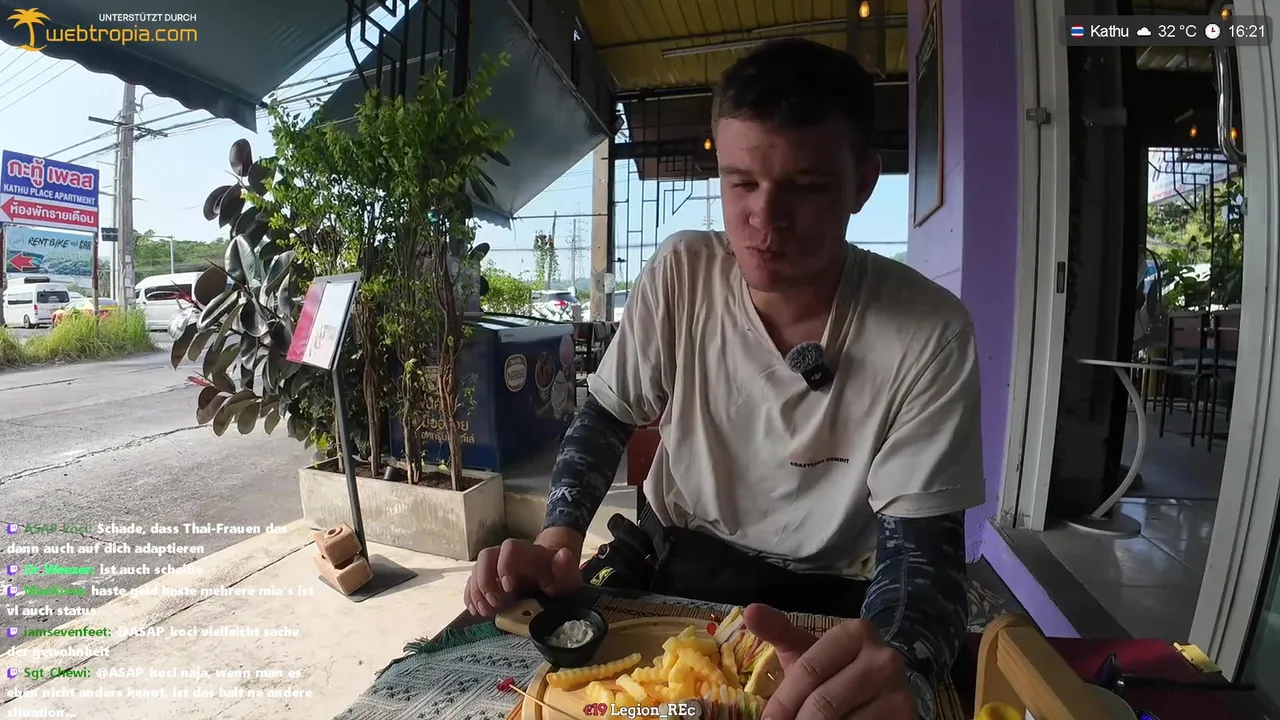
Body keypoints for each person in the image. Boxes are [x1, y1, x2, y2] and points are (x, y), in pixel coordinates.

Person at [464, 38, 984, 720]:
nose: (764, 219)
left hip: (836, 595)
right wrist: (558, 541)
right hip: (676, 559)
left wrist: (903, 670)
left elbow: (921, 562)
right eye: (741, 183)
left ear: (862, 183)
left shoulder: (928, 333)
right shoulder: (683, 276)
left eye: (805, 187)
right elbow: (607, 415)